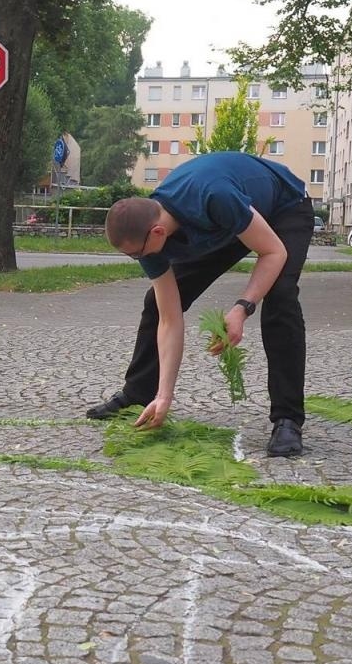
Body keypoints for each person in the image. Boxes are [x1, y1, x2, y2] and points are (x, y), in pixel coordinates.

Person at [86, 151, 315, 456]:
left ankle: (288, 420)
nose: (137, 260)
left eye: (136, 254)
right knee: (156, 303)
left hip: (284, 207)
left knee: (280, 296)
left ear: (157, 232)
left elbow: (274, 252)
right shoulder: (150, 232)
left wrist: (242, 308)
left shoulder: (214, 196)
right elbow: (169, 318)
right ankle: (139, 394)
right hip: (227, 223)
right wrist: (164, 395)